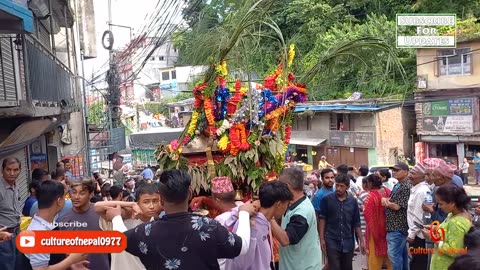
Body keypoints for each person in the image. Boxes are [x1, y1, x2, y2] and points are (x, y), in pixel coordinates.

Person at [120, 170, 256, 269]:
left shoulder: (145, 232)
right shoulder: (208, 227)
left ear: (160, 198)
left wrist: (115, 217)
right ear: (190, 193)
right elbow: (242, 247)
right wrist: (243, 213)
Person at [225, 181, 293, 270]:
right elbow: (240, 264)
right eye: (287, 204)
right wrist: (252, 230)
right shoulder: (248, 223)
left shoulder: (264, 221)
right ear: (279, 204)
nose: (287, 208)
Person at [23, 180, 89, 270]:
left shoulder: (49, 223)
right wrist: (70, 260)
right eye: (64, 197)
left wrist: (71, 265)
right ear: (59, 201)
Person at [98, 183, 163, 270]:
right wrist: (131, 205)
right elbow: (98, 207)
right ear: (137, 203)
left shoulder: (158, 226)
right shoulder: (120, 219)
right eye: (146, 202)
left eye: (155, 201)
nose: (151, 206)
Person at [270, 168, 322, 270]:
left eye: (280, 185)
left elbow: (285, 240)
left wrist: (269, 216)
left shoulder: (302, 211)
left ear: (287, 186)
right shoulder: (291, 203)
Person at [56, 178, 110, 270]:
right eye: (74, 192)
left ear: (91, 194)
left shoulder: (101, 215)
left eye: (81, 193)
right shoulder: (62, 220)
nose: (76, 197)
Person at [319, 173, 366, 270]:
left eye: (342, 186)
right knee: (334, 267)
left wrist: (362, 240)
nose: (338, 188)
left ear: (347, 187)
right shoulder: (327, 200)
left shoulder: (353, 201)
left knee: (347, 267)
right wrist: (322, 238)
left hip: (348, 241)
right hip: (331, 239)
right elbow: (322, 219)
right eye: (337, 185)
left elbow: (356, 222)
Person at [421, 185, 472, 270]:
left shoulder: (457, 223)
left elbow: (455, 251)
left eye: (441, 204)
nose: (439, 207)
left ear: (453, 203)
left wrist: (433, 238)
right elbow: (448, 231)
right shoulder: (453, 214)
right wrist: (434, 228)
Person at [383, 162, 412, 270]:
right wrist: (387, 201)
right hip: (394, 225)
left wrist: (386, 202)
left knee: (394, 255)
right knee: (401, 255)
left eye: (397, 170)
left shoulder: (406, 186)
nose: (394, 172)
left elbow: (397, 206)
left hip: (398, 225)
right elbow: (390, 200)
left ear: (406, 172)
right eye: (393, 170)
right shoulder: (398, 184)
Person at [363, 174, 392, 270]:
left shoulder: (370, 197)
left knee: (374, 259)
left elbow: (367, 214)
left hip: (375, 230)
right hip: (390, 229)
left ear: (370, 183)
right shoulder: (388, 191)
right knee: (390, 257)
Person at [0, 157, 23, 270]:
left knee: (18, 264)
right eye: (8, 170)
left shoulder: (16, 185)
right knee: (6, 265)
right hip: (3, 234)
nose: (12, 173)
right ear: (2, 170)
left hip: (16, 231)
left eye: (15, 170)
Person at [406, 163, 430, 270]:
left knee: (418, 263)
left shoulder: (421, 191)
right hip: (417, 234)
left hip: (418, 235)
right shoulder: (416, 189)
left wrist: (411, 234)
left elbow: (419, 217)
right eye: (410, 172)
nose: (410, 176)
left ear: (422, 176)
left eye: (413, 173)